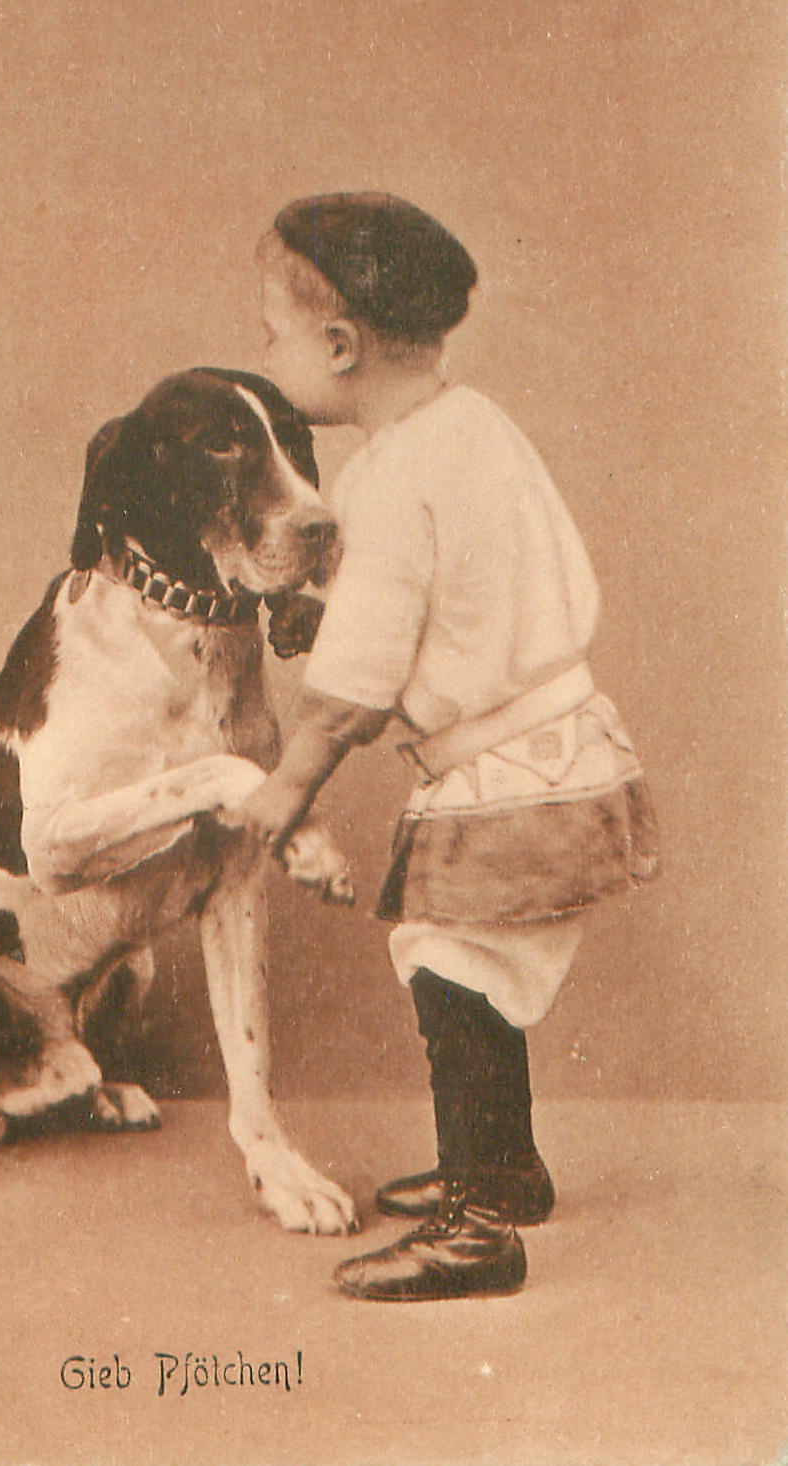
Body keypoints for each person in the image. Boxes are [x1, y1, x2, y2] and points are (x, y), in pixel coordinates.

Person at [236, 192, 659, 1302]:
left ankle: (478, 1228)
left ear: (339, 344)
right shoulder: (473, 426)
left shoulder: (387, 477)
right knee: (474, 966)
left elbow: (354, 689)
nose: (264, 352)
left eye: (272, 332)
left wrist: (288, 785)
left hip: (506, 777)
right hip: (561, 751)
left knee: (452, 972)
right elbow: (453, 598)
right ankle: (504, 1170)